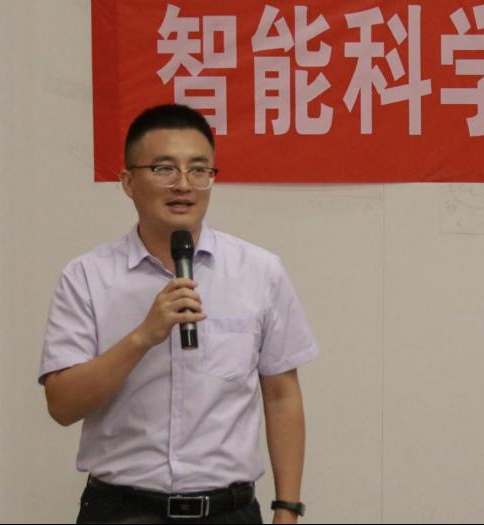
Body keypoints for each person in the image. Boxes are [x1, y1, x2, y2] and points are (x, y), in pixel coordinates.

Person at [39, 104, 319, 524]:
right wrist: (143, 336)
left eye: (199, 170)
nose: (183, 184)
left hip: (229, 512)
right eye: (164, 169)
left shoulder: (259, 271)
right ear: (128, 182)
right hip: (121, 512)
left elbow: (281, 395)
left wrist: (287, 508)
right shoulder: (87, 277)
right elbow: (62, 406)